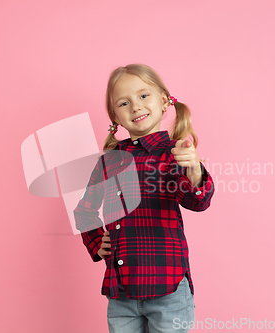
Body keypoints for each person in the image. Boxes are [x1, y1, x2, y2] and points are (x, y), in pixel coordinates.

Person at [74, 64, 215, 333]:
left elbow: (198, 201)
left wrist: (194, 170)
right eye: (124, 103)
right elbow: (84, 210)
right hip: (121, 292)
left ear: (163, 101)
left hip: (168, 287)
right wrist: (95, 240)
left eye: (143, 96)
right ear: (115, 115)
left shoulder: (172, 154)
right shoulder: (110, 160)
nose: (135, 107)